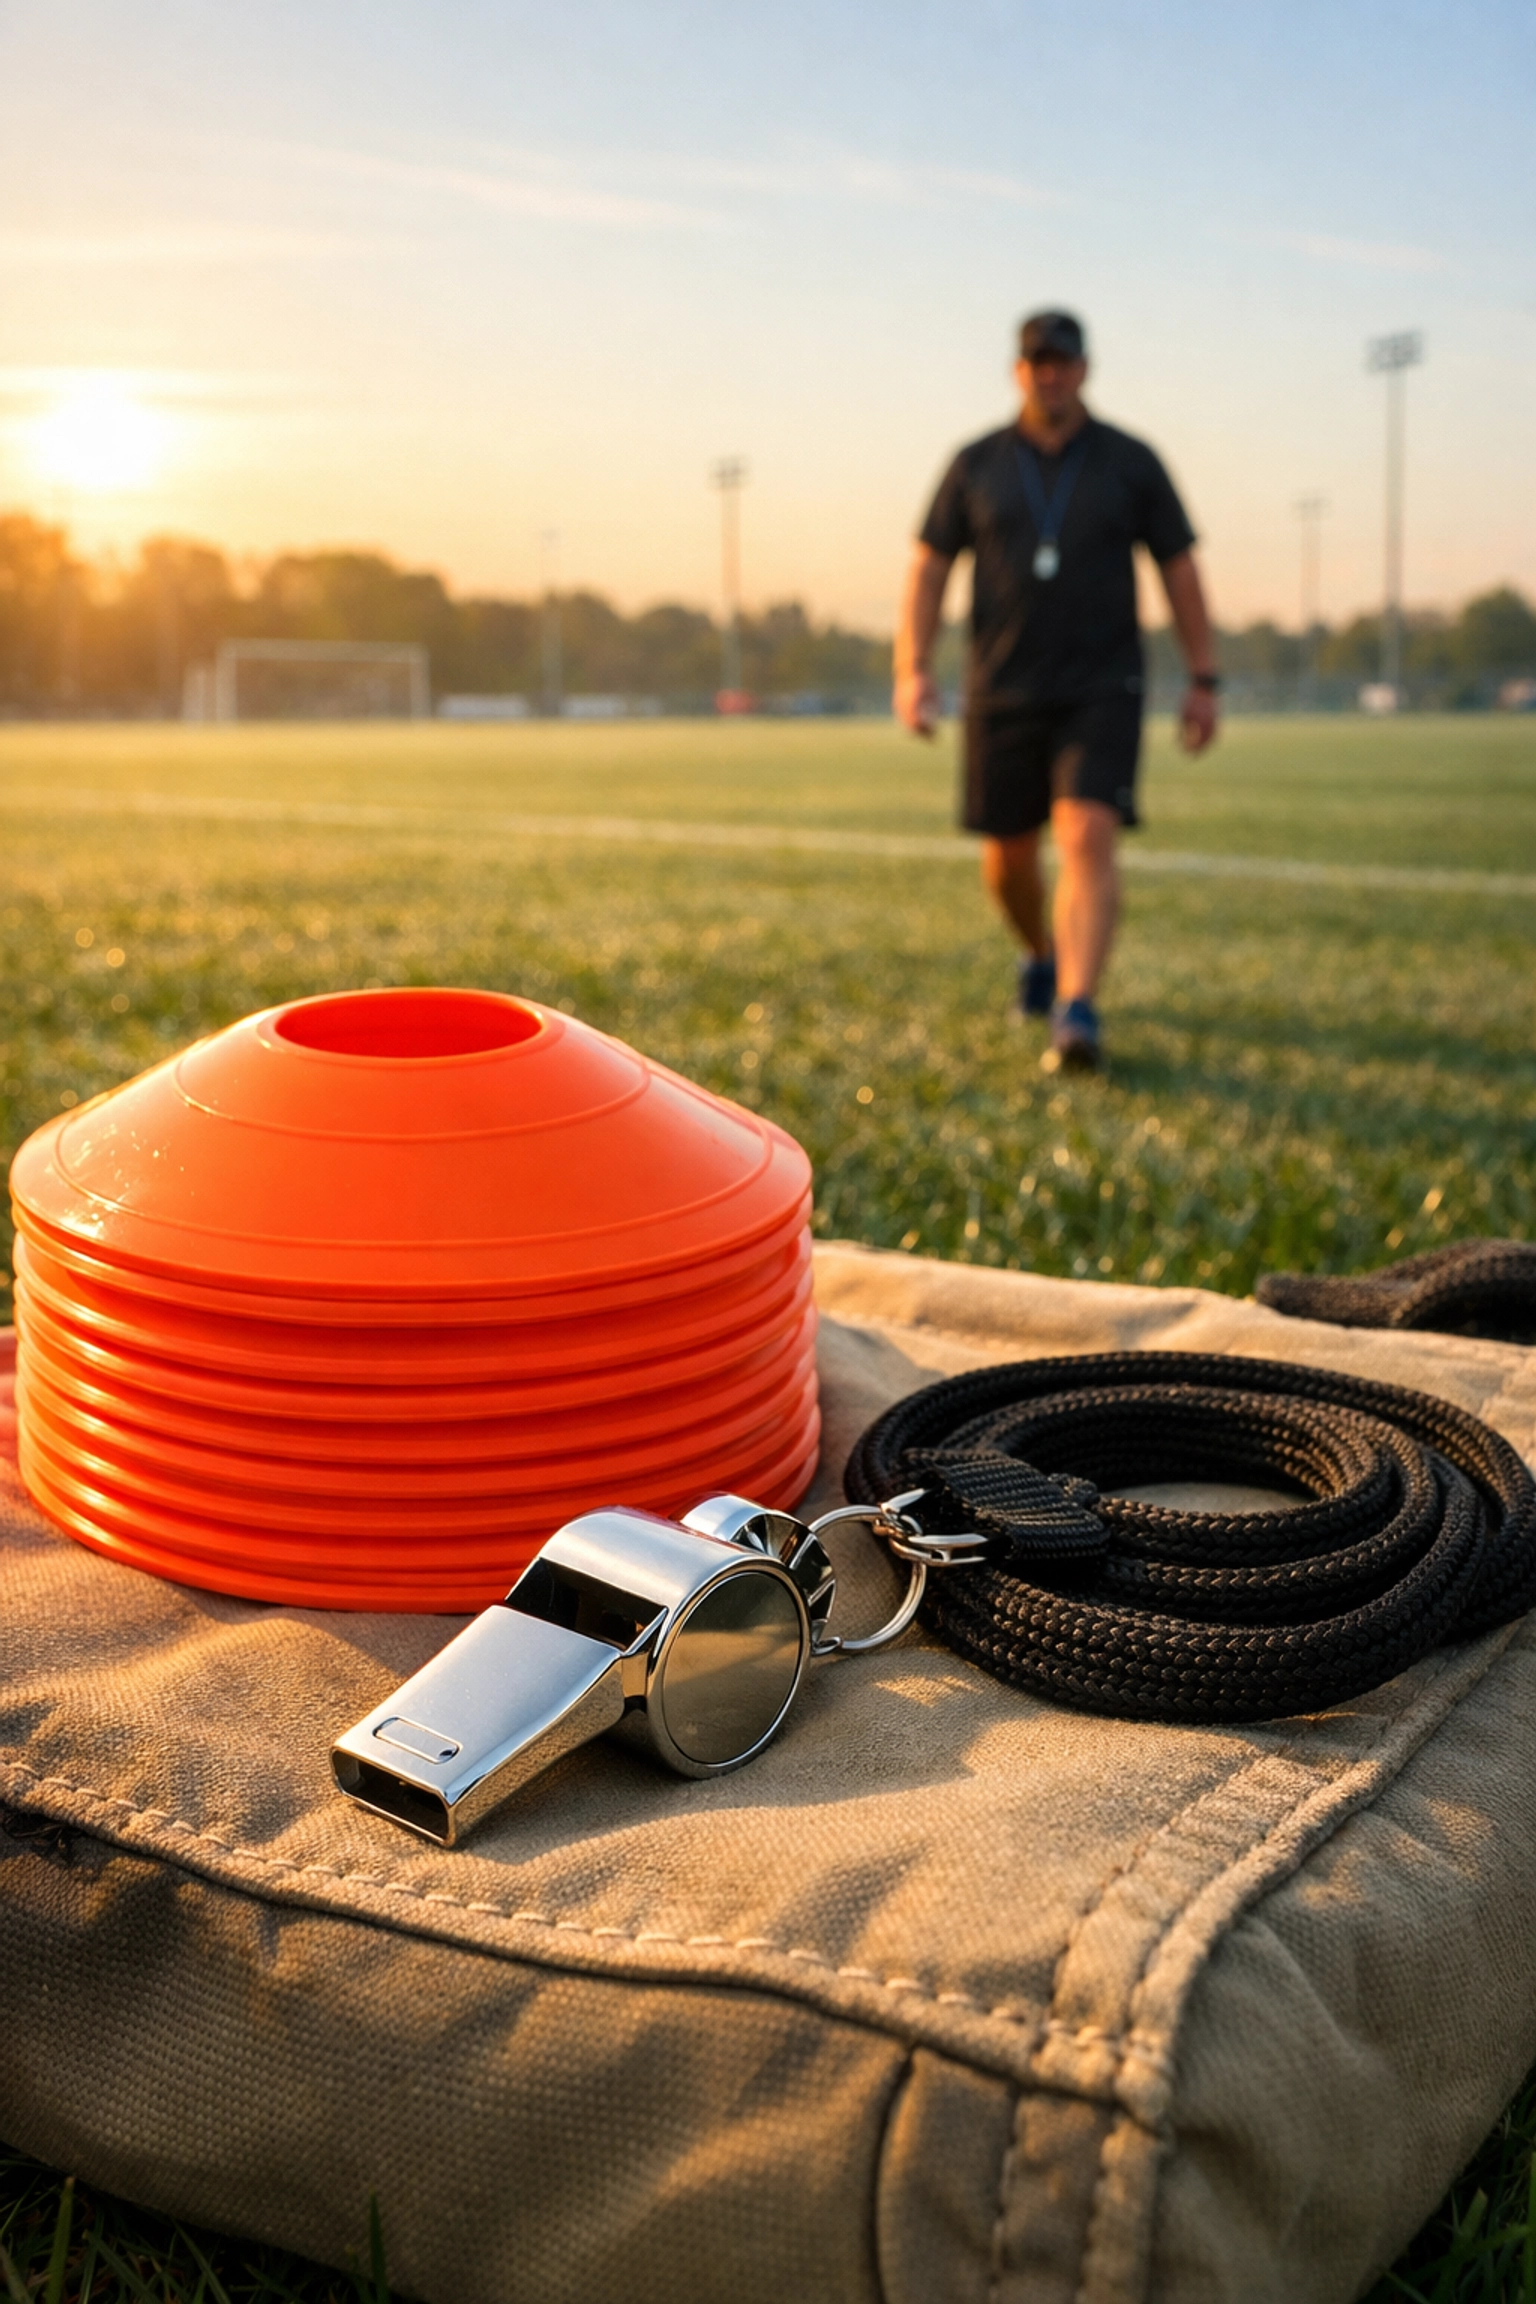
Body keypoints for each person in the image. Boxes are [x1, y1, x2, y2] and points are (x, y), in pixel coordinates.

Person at [893, 309, 1219, 1072]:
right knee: (1008, 861)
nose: (1051, 373)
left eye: (1064, 361)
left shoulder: (1130, 461)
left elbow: (1181, 570)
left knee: (1086, 834)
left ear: (1084, 369)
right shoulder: (975, 463)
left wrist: (1204, 678)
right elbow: (929, 568)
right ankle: (1042, 953)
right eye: (1038, 361)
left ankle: (1077, 1007)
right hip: (1003, 687)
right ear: (1018, 370)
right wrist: (913, 668)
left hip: (1102, 685)